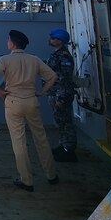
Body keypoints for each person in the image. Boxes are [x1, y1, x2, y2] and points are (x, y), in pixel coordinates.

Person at [0, 29, 58, 191]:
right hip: (32, 101)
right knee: (41, 138)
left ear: (12, 43)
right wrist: (41, 91)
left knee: (19, 142)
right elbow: (53, 77)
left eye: (8, 40)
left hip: (13, 101)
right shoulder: (34, 59)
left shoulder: (5, 60)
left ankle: (27, 180)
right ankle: (51, 175)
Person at [46, 29, 77, 162]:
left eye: (52, 38)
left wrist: (61, 98)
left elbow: (65, 78)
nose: (50, 40)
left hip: (61, 94)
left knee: (66, 123)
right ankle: (63, 145)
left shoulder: (64, 56)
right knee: (60, 122)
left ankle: (69, 150)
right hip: (54, 92)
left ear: (60, 41)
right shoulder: (56, 54)